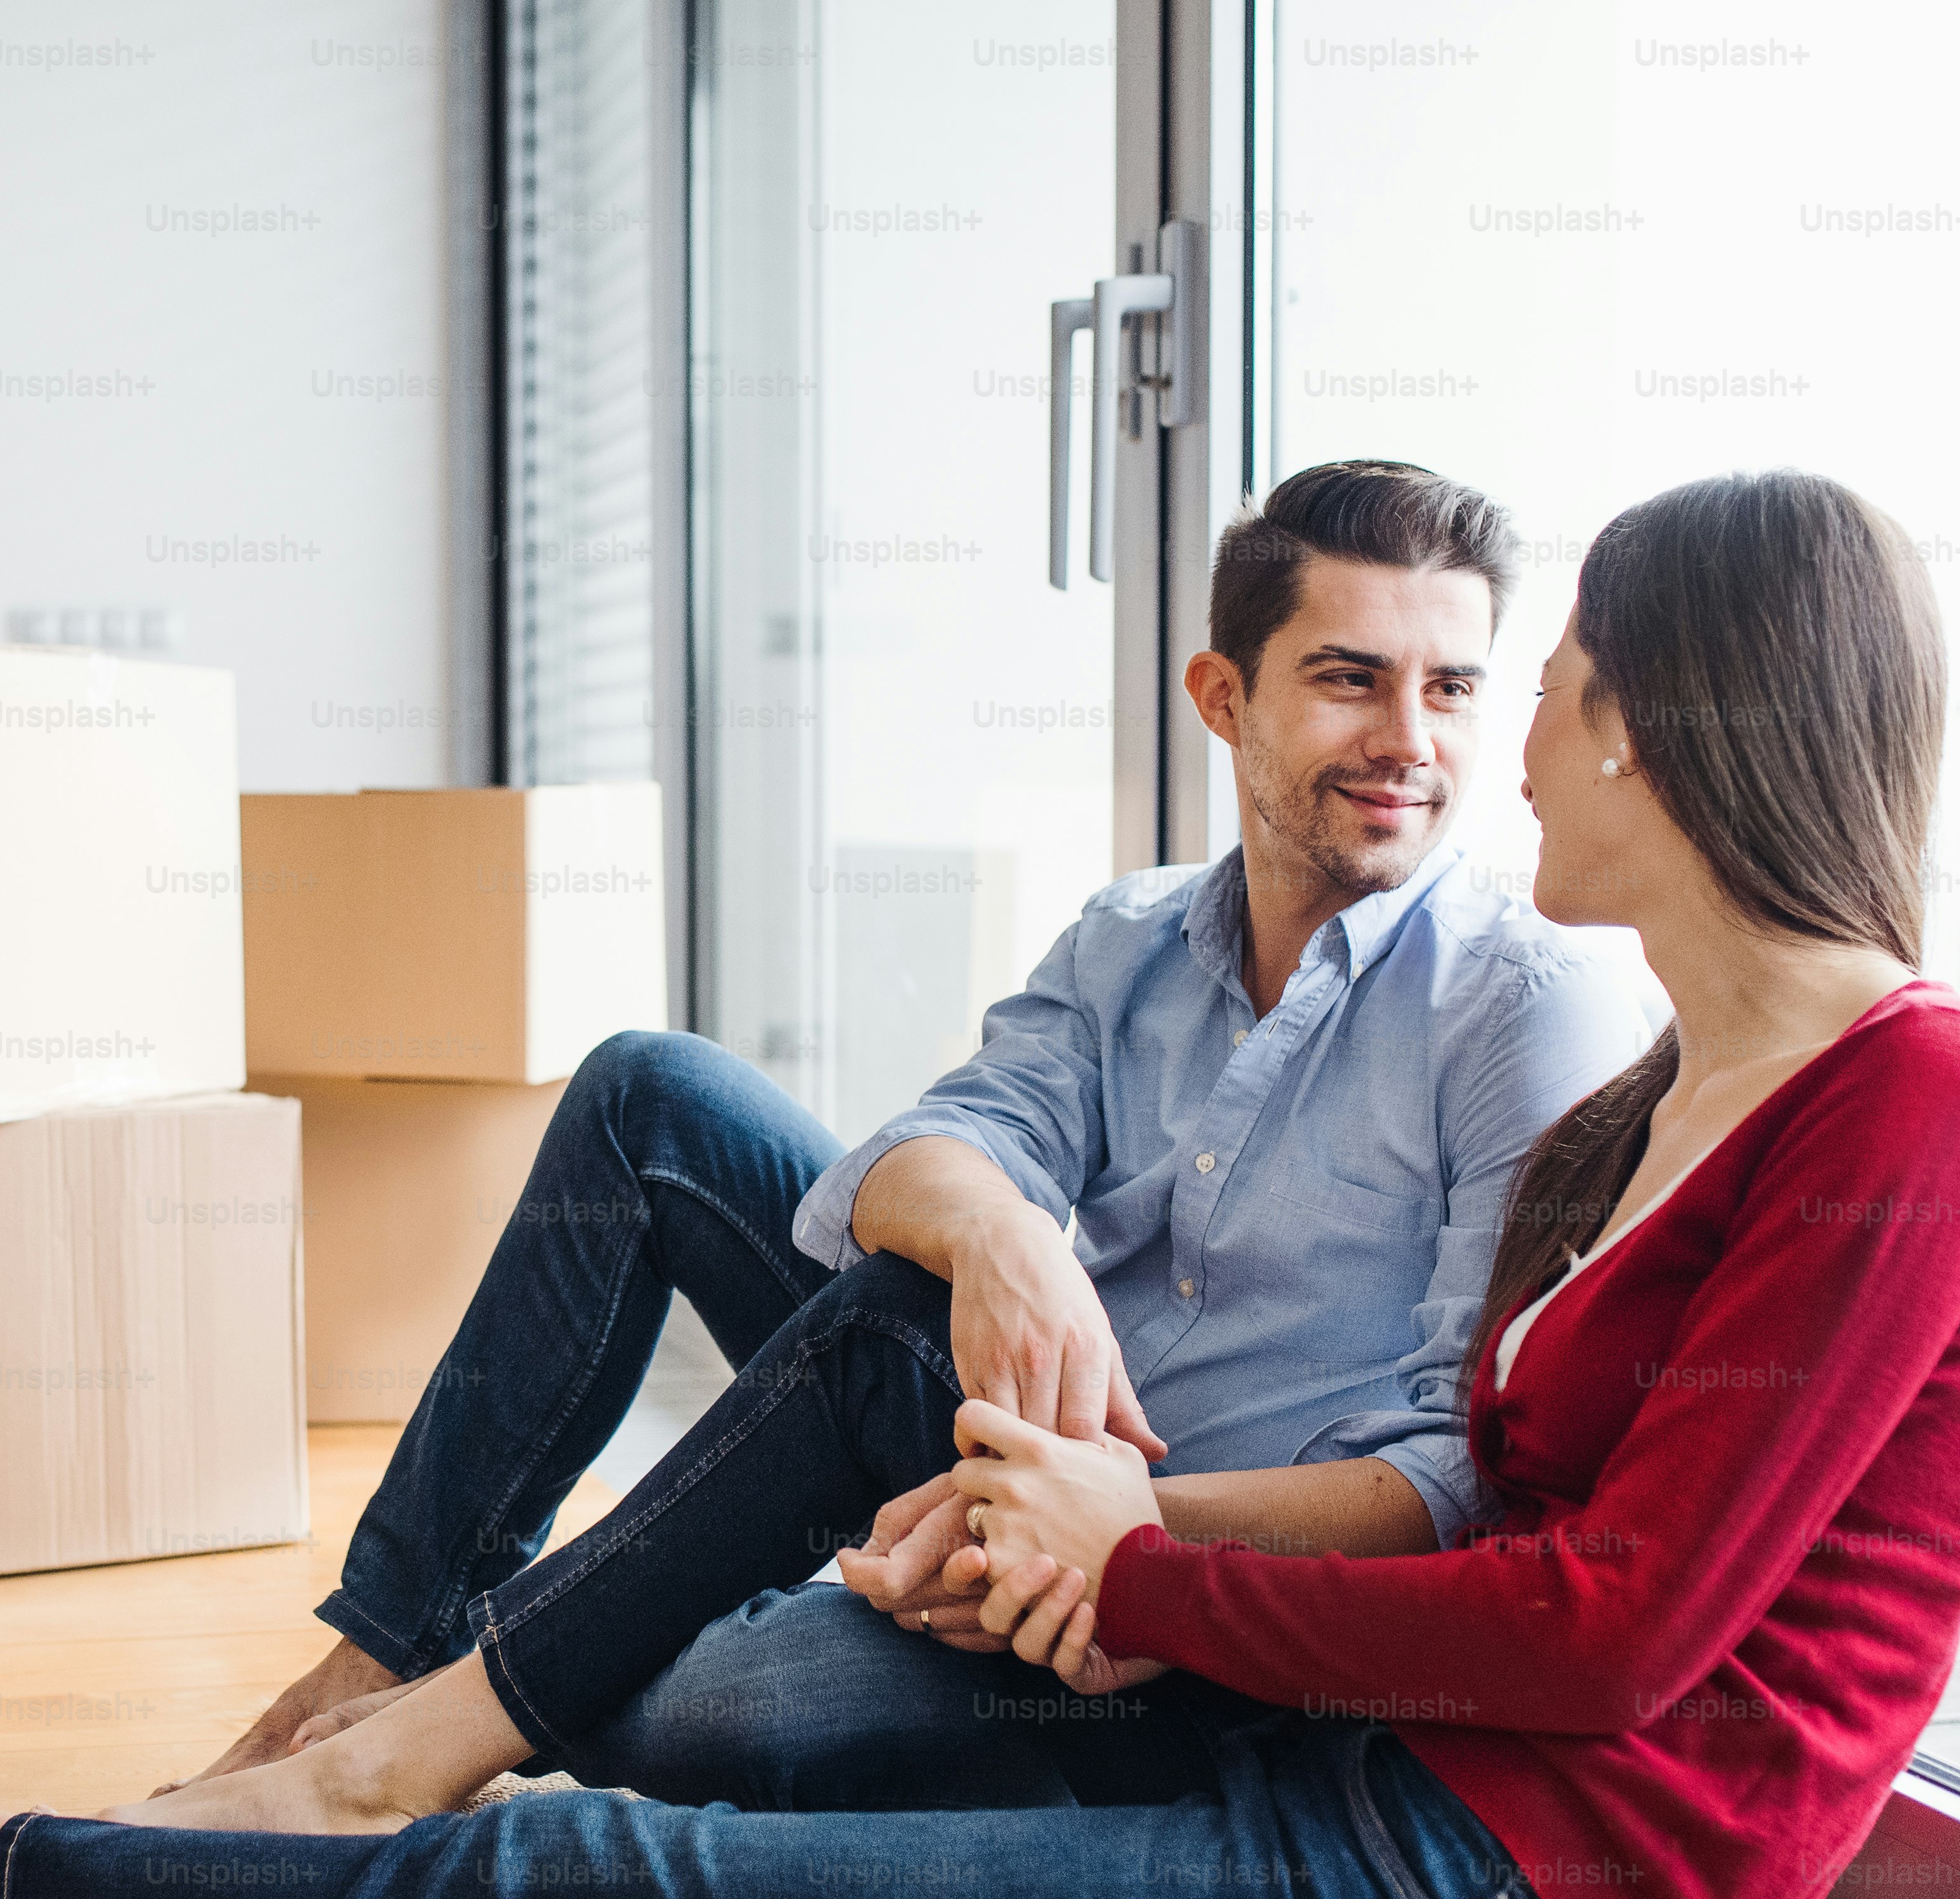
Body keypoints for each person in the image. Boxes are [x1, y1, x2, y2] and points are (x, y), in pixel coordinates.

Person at [0, 468, 1960, 1899]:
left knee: (597, 1879)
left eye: (1529, 682)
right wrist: (1021, 1392)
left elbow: (1609, 1621)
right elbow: (943, 1182)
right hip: (1289, 1733)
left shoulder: (1907, 1104)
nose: (1482, 734)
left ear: (1655, 721)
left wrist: (1117, 1556)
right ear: (1227, 698)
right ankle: (383, 1700)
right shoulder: (1664, 1096)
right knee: (735, 1273)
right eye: (1377, 675)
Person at [174, 456, 1647, 1813]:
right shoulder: (1131, 936)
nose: (1410, 743)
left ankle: (530, 1674)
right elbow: (926, 1152)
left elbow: (1457, 1477)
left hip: (1199, 1619)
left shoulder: (1527, 1008)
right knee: (658, 1102)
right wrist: (1004, 1235)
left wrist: (1087, 1523)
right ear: (1224, 696)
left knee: (680, 1709)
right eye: (1350, 680)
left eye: (1452, 689)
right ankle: (384, 1666)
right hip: (1003, 1463)